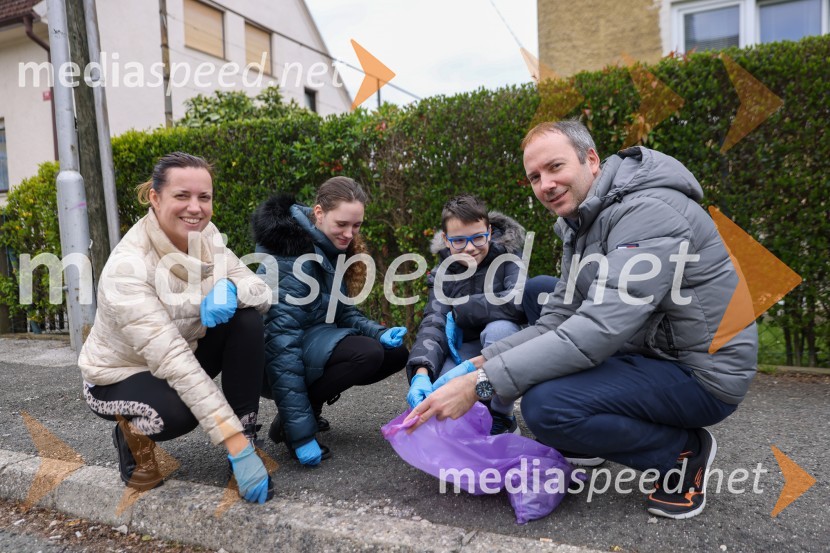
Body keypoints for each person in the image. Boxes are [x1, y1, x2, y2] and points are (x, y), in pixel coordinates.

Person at [406, 120, 758, 520]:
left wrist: (480, 385)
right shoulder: (583, 223)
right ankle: (594, 437)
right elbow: (555, 321)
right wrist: (475, 365)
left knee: (546, 407)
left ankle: (682, 456)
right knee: (543, 321)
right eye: (535, 177)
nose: (546, 185)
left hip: (703, 373)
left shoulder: (649, 212)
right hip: (652, 354)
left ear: (591, 159)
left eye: (555, 167)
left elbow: (597, 329)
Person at [79, 152, 273, 504]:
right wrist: (233, 446)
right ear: (155, 198)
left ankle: (247, 431)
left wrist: (231, 288)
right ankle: (131, 437)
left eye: (204, 197)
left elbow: (260, 290)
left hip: (185, 349)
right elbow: (172, 359)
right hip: (120, 373)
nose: (195, 208)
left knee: (246, 320)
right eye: (182, 196)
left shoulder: (207, 236)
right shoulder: (129, 266)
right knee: (178, 414)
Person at [251, 177, 408, 466]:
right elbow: (281, 348)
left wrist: (379, 332)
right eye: (342, 224)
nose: (350, 234)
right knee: (366, 354)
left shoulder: (329, 245)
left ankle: (306, 411)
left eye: (356, 225)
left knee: (394, 352)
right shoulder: (291, 258)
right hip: (269, 361)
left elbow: (343, 312)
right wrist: (300, 434)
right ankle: (293, 423)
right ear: (319, 213)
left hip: (312, 340)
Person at [405, 194, 528, 434]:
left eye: (478, 238)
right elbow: (434, 322)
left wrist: (461, 309)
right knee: (443, 392)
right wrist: (421, 371)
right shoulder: (443, 273)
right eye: (459, 241)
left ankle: (501, 414)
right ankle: (474, 416)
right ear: (446, 240)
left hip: (502, 344)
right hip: (463, 349)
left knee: (500, 329)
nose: (470, 248)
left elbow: (517, 303)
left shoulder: (510, 259)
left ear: (489, 232)